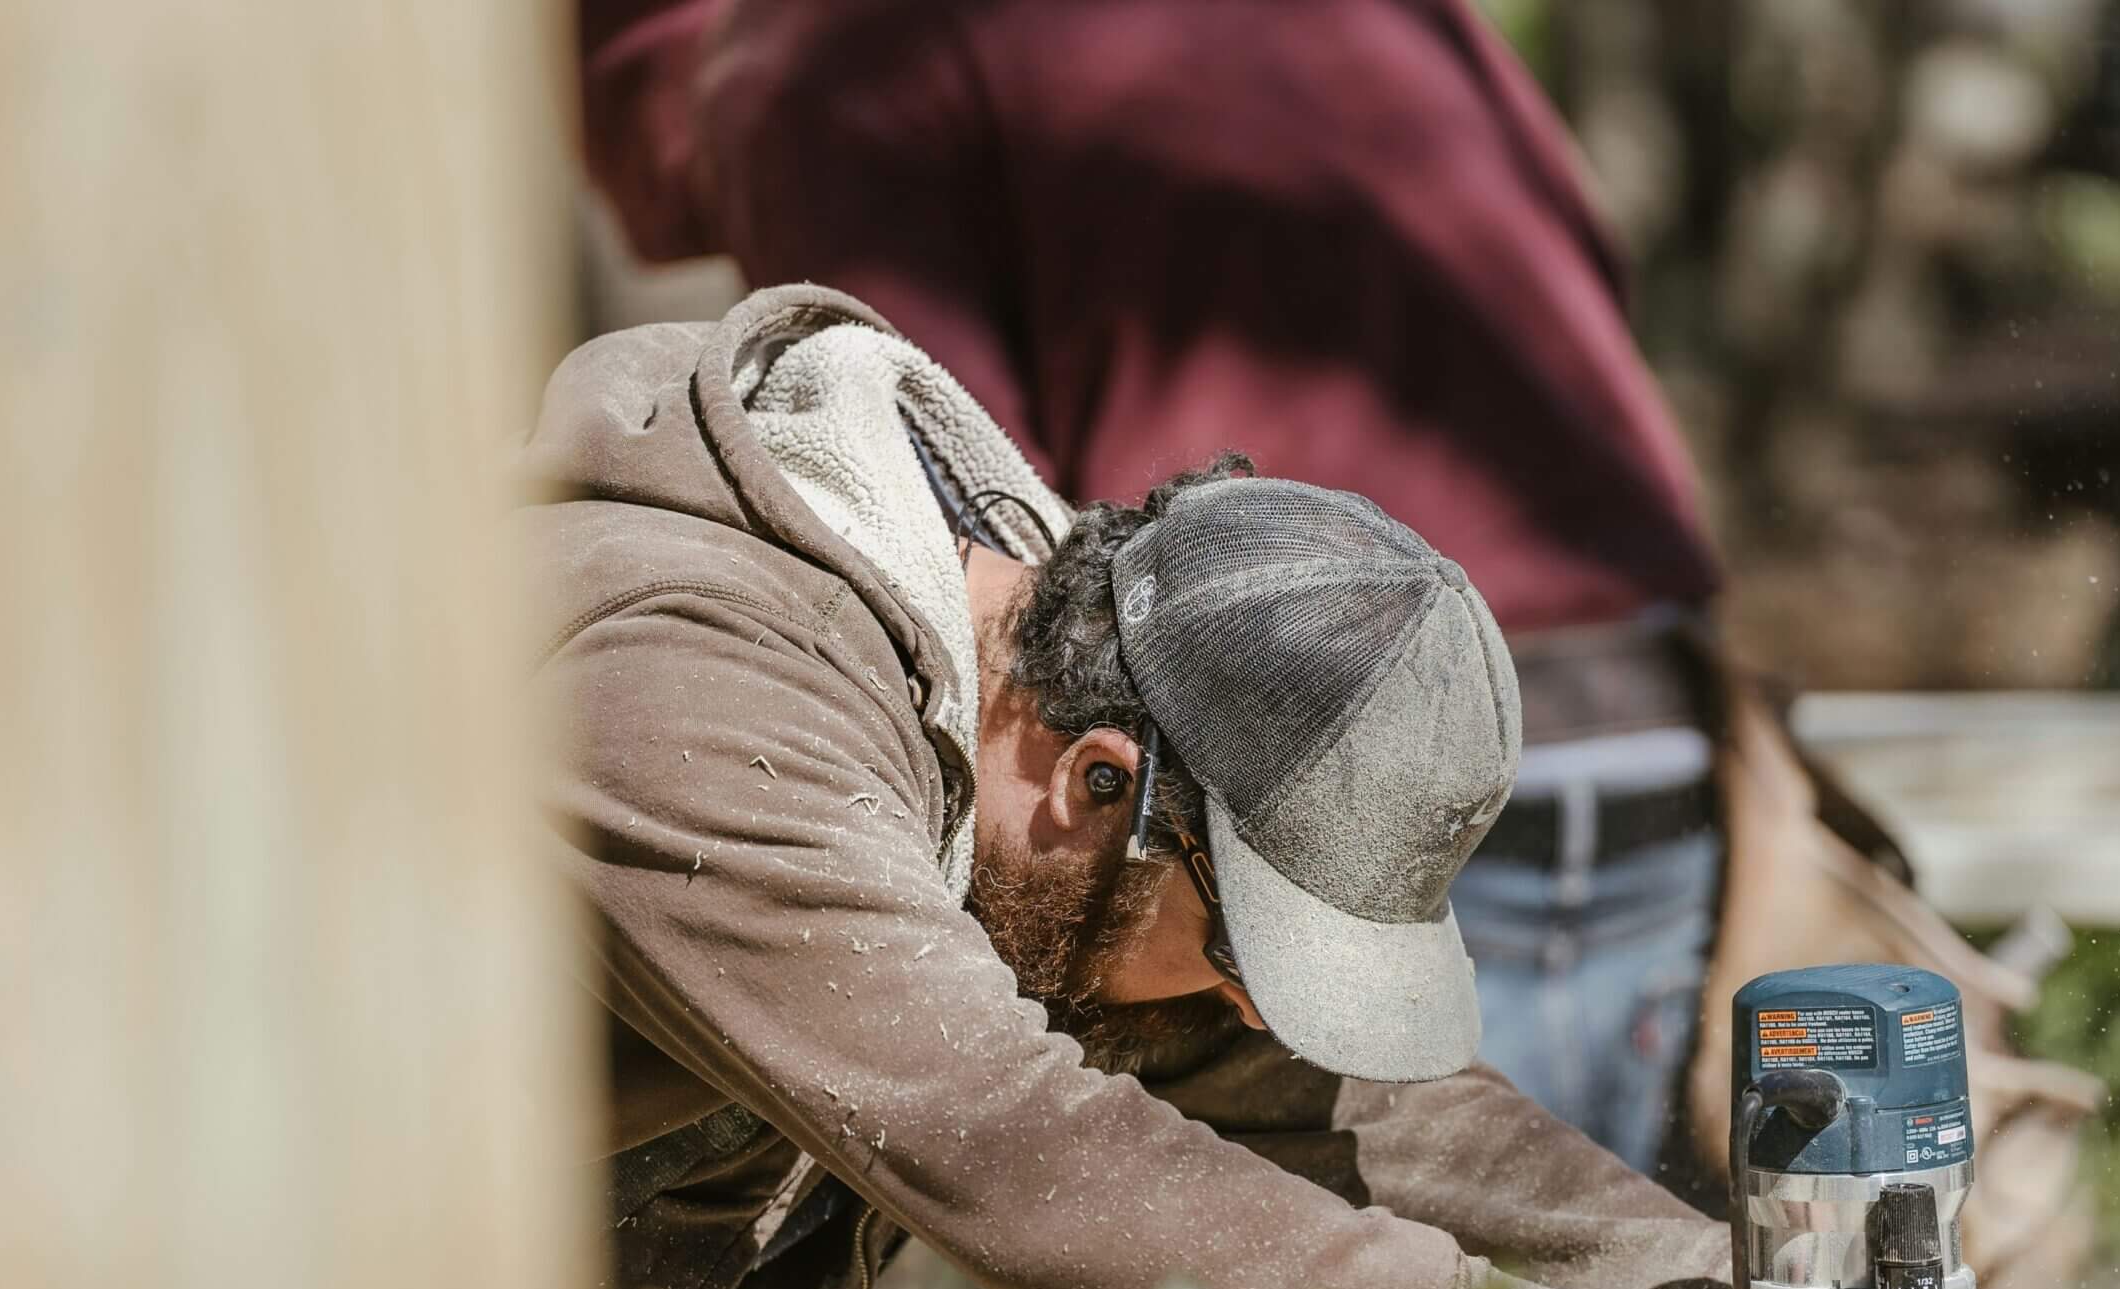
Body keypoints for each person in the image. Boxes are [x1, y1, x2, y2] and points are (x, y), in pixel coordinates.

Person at [529, 283, 2120, 1289]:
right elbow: (1003, 1137)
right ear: (1101, 781)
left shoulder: (1058, 767)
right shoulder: (688, 690)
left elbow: (1354, 1118)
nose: (1248, 1016)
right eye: (1243, 954)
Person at [578, 0, 1724, 1175]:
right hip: (1643, 711)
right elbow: (1585, 264)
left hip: (1249, 765)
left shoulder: (815, 56)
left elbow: (956, 543)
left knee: (1192, 1241)